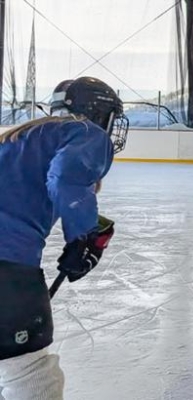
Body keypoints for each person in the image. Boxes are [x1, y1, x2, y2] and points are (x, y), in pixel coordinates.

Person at [0, 77, 127, 400]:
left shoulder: (18, 138)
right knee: (29, 373)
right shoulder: (87, 133)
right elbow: (66, 176)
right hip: (6, 265)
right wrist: (83, 235)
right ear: (101, 114)